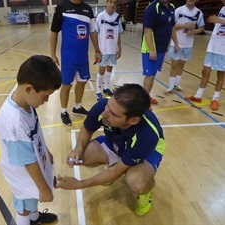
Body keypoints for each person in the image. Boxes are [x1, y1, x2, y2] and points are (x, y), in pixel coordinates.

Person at [55, 83, 165, 216]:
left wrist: (80, 184)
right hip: (116, 141)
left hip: (148, 151)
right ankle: (112, 162)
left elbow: (117, 171)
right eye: (108, 106)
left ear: (133, 120)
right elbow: (87, 128)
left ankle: (147, 191)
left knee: (137, 183)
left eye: (113, 114)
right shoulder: (105, 107)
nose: (104, 113)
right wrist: (78, 149)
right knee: (82, 156)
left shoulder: (147, 136)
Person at [0, 55, 61, 225]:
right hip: (21, 171)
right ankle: (27, 220)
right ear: (29, 89)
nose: (46, 100)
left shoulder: (24, 100)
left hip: (31, 164)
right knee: (24, 204)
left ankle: (35, 218)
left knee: (31, 199)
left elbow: (34, 132)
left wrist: (46, 152)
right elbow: (27, 161)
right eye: (46, 95)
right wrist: (44, 188)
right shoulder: (14, 122)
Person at [50, 0, 101, 126]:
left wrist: (97, 50)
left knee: (82, 83)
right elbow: (54, 31)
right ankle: (63, 111)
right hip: (68, 58)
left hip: (83, 57)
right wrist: (52, 54)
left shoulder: (88, 9)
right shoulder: (62, 7)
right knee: (66, 85)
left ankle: (77, 107)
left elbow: (93, 31)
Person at [185, 1, 225, 111]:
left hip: (223, 49)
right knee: (205, 71)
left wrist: (219, 20)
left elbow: (221, 22)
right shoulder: (222, 8)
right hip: (213, 45)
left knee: (221, 74)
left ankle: (215, 99)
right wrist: (217, 22)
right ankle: (198, 95)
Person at [141, 0, 179, 104]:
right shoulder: (153, 8)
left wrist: (176, 42)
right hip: (150, 49)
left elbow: (172, 27)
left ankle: (146, 97)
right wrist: (152, 50)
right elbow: (147, 30)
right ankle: (143, 102)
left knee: (153, 75)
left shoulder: (171, 7)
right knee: (150, 75)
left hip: (162, 49)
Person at [165, 0, 205, 94]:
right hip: (176, 42)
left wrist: (194, 32)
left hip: (188, 44)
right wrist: (184, 26)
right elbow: (171, 26)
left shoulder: (199, 12)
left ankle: (177, 84)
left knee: (182, 65)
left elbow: (202, 28)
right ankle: (171, 86)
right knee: (174, 65)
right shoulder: (179, 10)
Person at [95, 0, 123, 101]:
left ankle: (106, 87)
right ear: (106, 2)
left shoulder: (117, 17)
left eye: (114, 2)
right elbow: (95, 32)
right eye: (110, 2)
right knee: (102, 69)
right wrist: (97, 50)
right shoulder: (100, 16)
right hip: (103, 49)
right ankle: (98, 90)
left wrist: (119, 47)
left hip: (113, 49)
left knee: (110, 68)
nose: (112, 4)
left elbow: (119, 33)